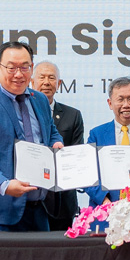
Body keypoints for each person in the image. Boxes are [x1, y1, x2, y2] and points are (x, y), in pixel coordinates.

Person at [0, 40, 63, 232]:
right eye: (11, 68)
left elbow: (50, 130)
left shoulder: (40, 99)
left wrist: (57, 142)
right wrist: (3, 184)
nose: (19, 74)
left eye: (25, 67)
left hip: (39, 208)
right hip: (0, 213)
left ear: (32, 68)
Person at [85, 77, 130, 206]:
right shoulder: (97, 134)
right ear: (110, 103)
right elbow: (87, 172)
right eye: (120, 99)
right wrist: (104, 201)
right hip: (105, 209)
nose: (126, 105)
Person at [34, 60, 85, 230]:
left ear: (59, 84)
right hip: (31, 197)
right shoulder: (21, 112)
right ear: (32, 81)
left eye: (51, 78)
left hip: (63, 199)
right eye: (42, 77)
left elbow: (77, 154)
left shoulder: (73, 115)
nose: (46, 82)